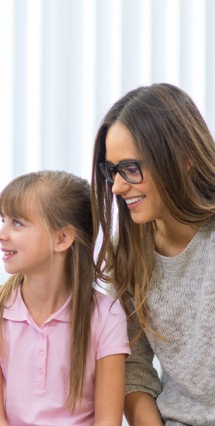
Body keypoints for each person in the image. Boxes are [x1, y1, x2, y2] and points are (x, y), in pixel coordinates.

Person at [91, 82, 215, 426]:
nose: (116, 187)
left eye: (130, 168)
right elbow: (133, 369)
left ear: (183, 158)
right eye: (111, 171)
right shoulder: (128, 252)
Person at [0, 170, 130, 426]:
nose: (0, 234)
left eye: (17, 223)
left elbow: (108, 422)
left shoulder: (106, 316)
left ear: (62, 238)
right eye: (3, 220)